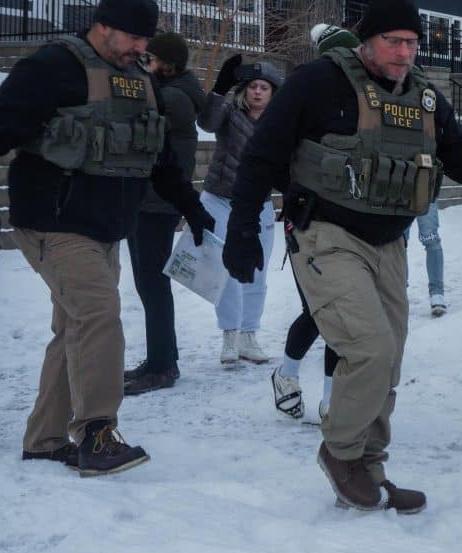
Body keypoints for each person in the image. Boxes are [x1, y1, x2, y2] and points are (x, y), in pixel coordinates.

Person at [221, 0, 462, 514]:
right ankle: (340, 453)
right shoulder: (319, 82)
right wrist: (243, 227)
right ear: (367, 41)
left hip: (388, 243)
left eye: (413, 43)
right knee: (370, 347)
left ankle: (370, 469)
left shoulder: (422, 99)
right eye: (393, 42)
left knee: (389, 359)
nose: (405, 53)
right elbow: (262, 155)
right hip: (326, 236)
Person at [0, 0, 214, 476]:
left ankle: (46, 439)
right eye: (135, 37)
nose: (142, 49)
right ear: (104, 25)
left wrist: (192, 208)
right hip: (53, 222)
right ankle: (98, 431)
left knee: (75, 326)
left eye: (147, 40)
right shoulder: (52, 68)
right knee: (98, 312)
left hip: (106, 228)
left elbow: (157, 155)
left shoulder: (139, 80)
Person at [271, 23, 359, 421]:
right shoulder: (305, 96)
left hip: (351, 225)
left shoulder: (364, 101)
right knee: (319, 311)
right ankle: (287, 375)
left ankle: (329, 399)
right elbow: (271, 156)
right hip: (306, 221)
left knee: (340, 314)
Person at [124, 32, 207, 395]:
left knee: (153, 286)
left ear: (168, 64)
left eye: (151, 59)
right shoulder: (173, 90)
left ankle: (162, 366)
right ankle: (161, 358)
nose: (145, 63)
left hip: (157, 202)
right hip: (150, 199)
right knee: (149, 285)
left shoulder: (172, 97)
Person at [198, 55, 283, 364]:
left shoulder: (280, 123)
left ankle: (249, 336)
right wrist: (219, 90)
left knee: (257, 272)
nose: (258, 92)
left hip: (259, 205)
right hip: (220, 200)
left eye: (264, 87)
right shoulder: (229, 113)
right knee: (227, 270)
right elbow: (206, 122)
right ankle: (230, 337)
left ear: (273, 93)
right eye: (253, 87)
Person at [405, 201, 447, 316]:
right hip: (401, 190)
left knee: (431, 238)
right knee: (399, 242)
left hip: (427, 189)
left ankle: (437, 294)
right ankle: (400, 292)